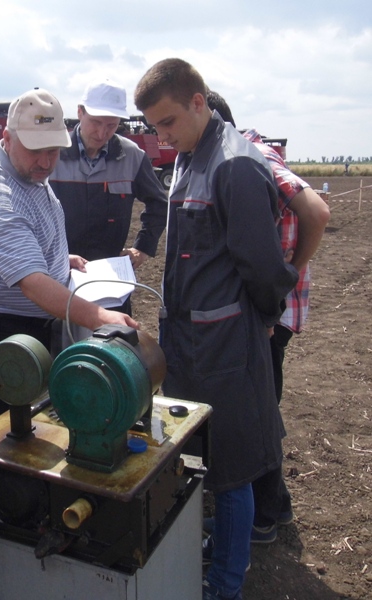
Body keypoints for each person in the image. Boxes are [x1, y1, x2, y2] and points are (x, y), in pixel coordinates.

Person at [134, 59, 299, 600]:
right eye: (155, 128)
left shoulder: (234, 166)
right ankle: (209, 550)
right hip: (189, 345)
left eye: (169, 123)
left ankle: (225, 582)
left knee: (232, 469)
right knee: (196, 455)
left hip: (227, 347)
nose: (162, 138)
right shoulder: (189, 157)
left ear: (199, 102)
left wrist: (261, 323)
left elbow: (266, 270)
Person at [0, 88, 139, 425]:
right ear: (7, 138)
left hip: (32, 321)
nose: (45, 162)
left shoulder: (22, 169)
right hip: (1, 329)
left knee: (41, 422)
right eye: (36, 150)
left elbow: (33, 230)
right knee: (11, 433)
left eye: (53, 151)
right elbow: (34, 285)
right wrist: (100, 317)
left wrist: (57, 257)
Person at [206, 90, 330, 544]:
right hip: (270, 308)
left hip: (268, 311)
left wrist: (287, 276)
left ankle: (265, 512)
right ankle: (272, 509)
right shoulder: (252, 152)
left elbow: (316, 211)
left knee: (256, 413)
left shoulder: (249, 156)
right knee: (262, 404)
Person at [49, 78, 167, 297]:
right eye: (95, 122)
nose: (102, 133)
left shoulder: (133, 156)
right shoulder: (51, 153)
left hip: (111, 278)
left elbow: (159, 203)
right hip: (56, 273)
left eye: (111, 125)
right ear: (80, 112)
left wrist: (142, 248)